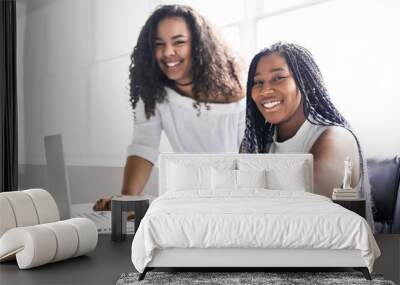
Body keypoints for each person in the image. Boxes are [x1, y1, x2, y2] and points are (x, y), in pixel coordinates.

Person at [93, 5, 245, 211]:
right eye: (159, 44)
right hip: (191, 200)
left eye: (179, 42)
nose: (168, 52)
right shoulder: (153, 93)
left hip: (240, 197)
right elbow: (143, 147)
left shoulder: (240, 87)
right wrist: (128, 199)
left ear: (199, 45)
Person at [240, 42, 374, 229]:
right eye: (258, 82)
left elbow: (307, 209)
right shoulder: (255, 144)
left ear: (306, 84)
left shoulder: (336, 138)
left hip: (330, 254)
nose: (265, 91)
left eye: (278, 78)